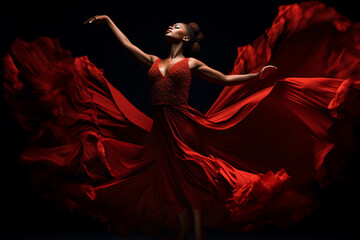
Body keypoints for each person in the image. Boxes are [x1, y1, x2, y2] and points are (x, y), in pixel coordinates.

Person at [2, 2, 359, 240]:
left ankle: (199, 234)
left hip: (184, 123)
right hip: (161, 128)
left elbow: (224, 80)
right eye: (171, 25)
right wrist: (109, 21)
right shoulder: (155, 61)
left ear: (184, 38)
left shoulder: (189, 65)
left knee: (196, 173)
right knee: (173, 182)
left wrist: (256, 77)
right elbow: (128, 47)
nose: (170, 27)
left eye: (177, 26)